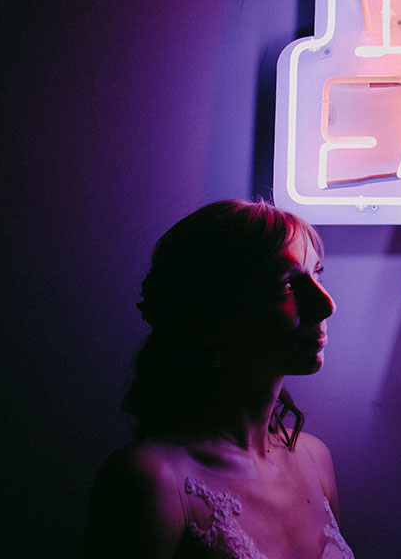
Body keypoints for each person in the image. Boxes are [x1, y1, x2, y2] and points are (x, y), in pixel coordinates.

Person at [84, 199, 353, 559]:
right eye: (285, 286)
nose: (326, 304)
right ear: (209, 318)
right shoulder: (151, 481)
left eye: (317, 275)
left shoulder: (314, 459)